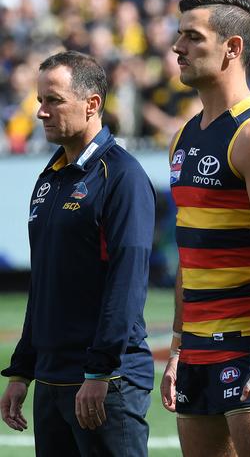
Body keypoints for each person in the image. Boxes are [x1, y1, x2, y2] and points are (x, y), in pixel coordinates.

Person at [159, 0, 250, 457]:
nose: (177, 47)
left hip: (248, 347)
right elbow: (190, 252)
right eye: (178, 35)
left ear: (232, 48)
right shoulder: (186, 132)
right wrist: (178, 345)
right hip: (196, 347)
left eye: (192, 37)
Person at [0, 50, 155, 456]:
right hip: (52, 380)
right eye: (39, 101)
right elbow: (45, 281)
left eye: (53, 101)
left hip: (105, 382)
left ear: (92, 105)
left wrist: (101, 371)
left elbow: (127, 282)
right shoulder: (49, 178)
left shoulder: (122, 177)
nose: (41, 112)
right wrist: (22, 370)